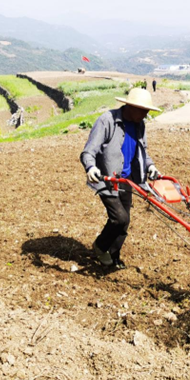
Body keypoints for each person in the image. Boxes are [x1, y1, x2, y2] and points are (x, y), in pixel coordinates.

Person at [80, 88, 161, 269]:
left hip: (127, 178)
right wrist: (91, 167)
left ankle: (113, 256)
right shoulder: (107, 121)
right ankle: (100, 246)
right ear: (131, 107)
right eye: (143, 110)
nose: (146, 114)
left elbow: (142, 151)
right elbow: (88, 151)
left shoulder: (139, 124)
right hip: (107, 179)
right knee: (119, 219)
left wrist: (150, 166)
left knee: (124, 223)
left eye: (147, 111)